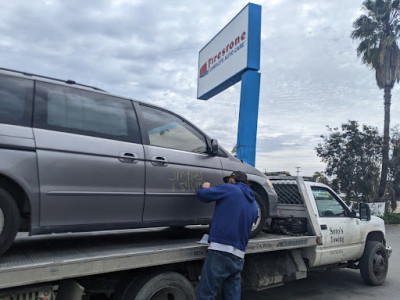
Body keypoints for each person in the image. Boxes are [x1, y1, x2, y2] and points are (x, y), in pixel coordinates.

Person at [196, 171, 258, 300]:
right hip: (239, 254)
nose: (227, 182)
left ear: (233, 180)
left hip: (220, 250)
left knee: (206, 293)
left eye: (228, 179)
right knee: (232, 295)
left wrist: (205, 187)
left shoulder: (231, 189)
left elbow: (203, 196)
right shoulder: (253, 204)